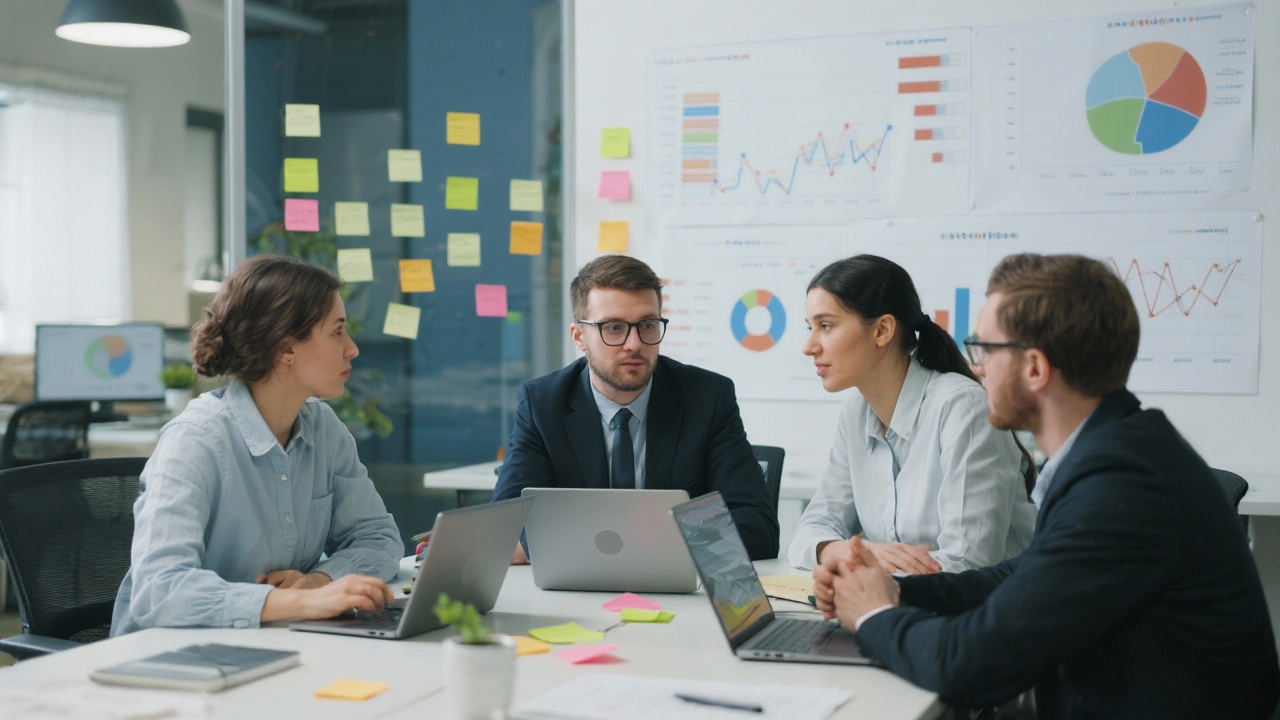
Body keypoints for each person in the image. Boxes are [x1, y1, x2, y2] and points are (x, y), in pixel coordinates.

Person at [815, 254, 1280, 718]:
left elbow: (968, 667)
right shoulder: (1118, 450)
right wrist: (895, 590)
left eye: (986, 351)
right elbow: (1021, 574)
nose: (977, 369)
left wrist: (875, 613)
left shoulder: (1124, 484)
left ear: (1034, 368)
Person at [111, 255, 403, 635]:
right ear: (286, 349)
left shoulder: (324, 430)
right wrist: (302, 602)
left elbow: (378, 538)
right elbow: (158, 591)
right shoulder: (195, 442)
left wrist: (320, 581)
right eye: (337, 332)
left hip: (270, 641)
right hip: (168, 662)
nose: (352, 349)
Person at [492, 254, 779, 560]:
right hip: (579, 592)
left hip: (678, 597)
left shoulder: (707, 398)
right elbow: (506, 526)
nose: (634, 344)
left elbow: (757, 528)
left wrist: (636, 542)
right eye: (614, 328)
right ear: (579, 337)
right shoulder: (543, 404)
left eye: (647, 325)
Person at [788, 255, 1035, 575]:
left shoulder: (962, 407)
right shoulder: (855, 411)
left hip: (984, 614)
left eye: (825, 326)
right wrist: (846, 550)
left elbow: (968, 564)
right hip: (903, 609)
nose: (809, 347)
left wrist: (868, 567)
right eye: (810, 328)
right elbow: (809, 533)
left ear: (882, 330)